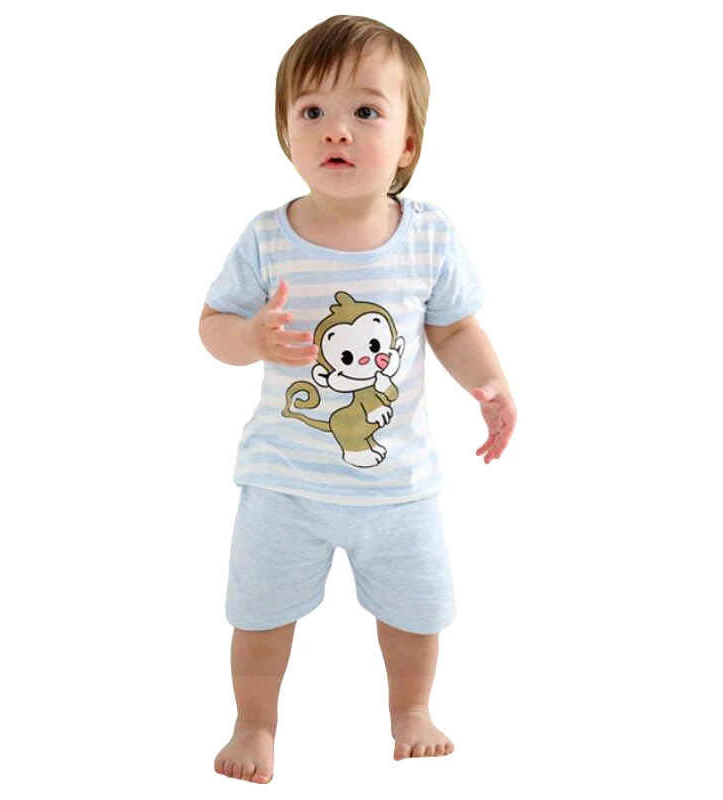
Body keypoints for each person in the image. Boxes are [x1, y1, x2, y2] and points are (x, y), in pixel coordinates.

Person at [198, 14, 517, 784]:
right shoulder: (267, 238)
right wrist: (252, 339)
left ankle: (412, 710)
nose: (335, 129)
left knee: (417, 610)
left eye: (366, 111)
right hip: (283, 482)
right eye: (312, 111)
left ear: (407, 142)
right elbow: (212, 328)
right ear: (286, 133)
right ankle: (254, 723)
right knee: (259, 614)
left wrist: (490, 383)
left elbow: (455, 326)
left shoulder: (428, 236)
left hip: (399, 486)